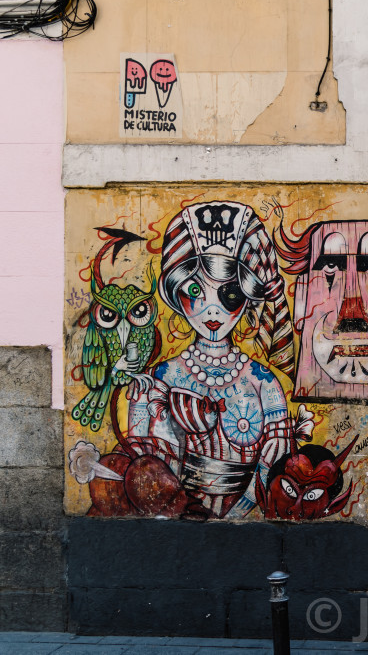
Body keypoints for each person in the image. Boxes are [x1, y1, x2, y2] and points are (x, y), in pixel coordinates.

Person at [126, 201, 302, 519]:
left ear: (248, 297)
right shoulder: (159, 376)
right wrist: (178, 510)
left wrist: (239, 515)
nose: (212, 310)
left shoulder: (263, 380)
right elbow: (142, 460)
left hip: (244, 522)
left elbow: (274, 461)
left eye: (229, 295)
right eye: (196, 290)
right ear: (175, 292)